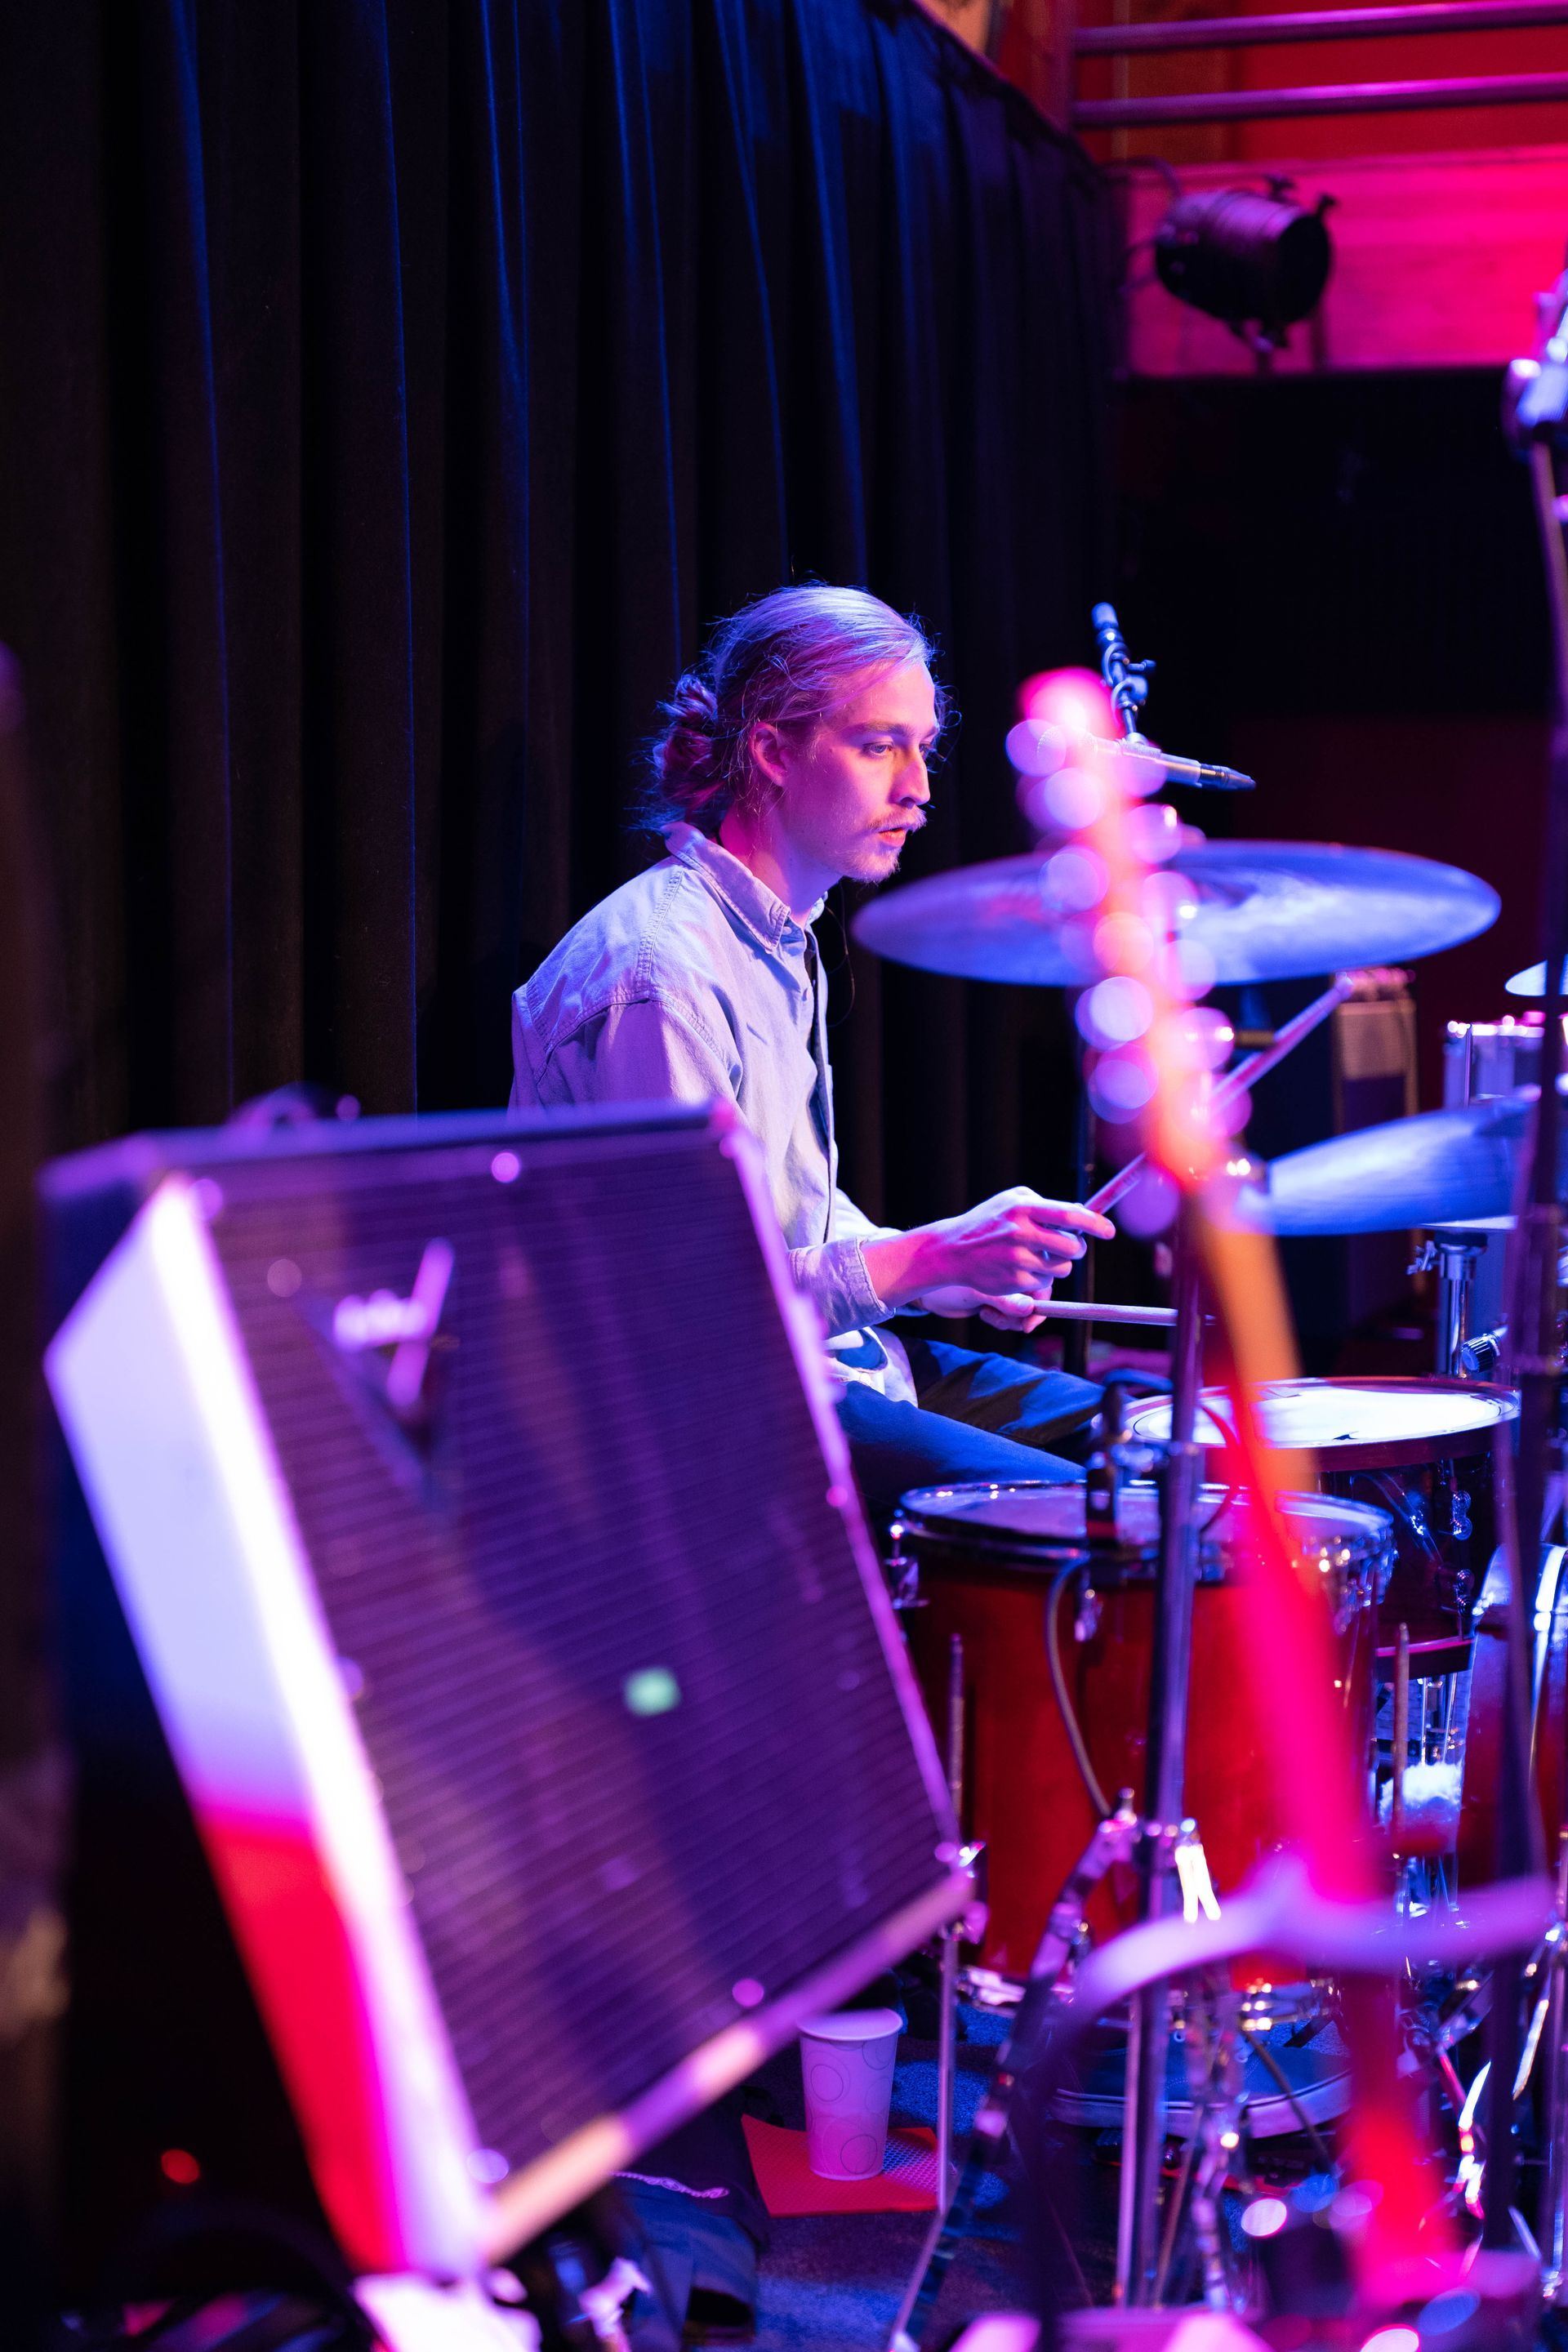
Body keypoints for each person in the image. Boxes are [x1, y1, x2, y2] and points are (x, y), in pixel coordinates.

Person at [510, 585, 1116, 1512]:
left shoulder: (780, 936)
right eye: (881, 746)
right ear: (770, 752)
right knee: (1084, 1516)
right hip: (706, 1410)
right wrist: (930, 1259)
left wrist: (946, 1275)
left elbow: (792, 1215)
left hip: (821, 1362)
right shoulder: (658, 974)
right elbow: (702, 1297)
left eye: (923, 748)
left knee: (1152, 1441)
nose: (918, 787)